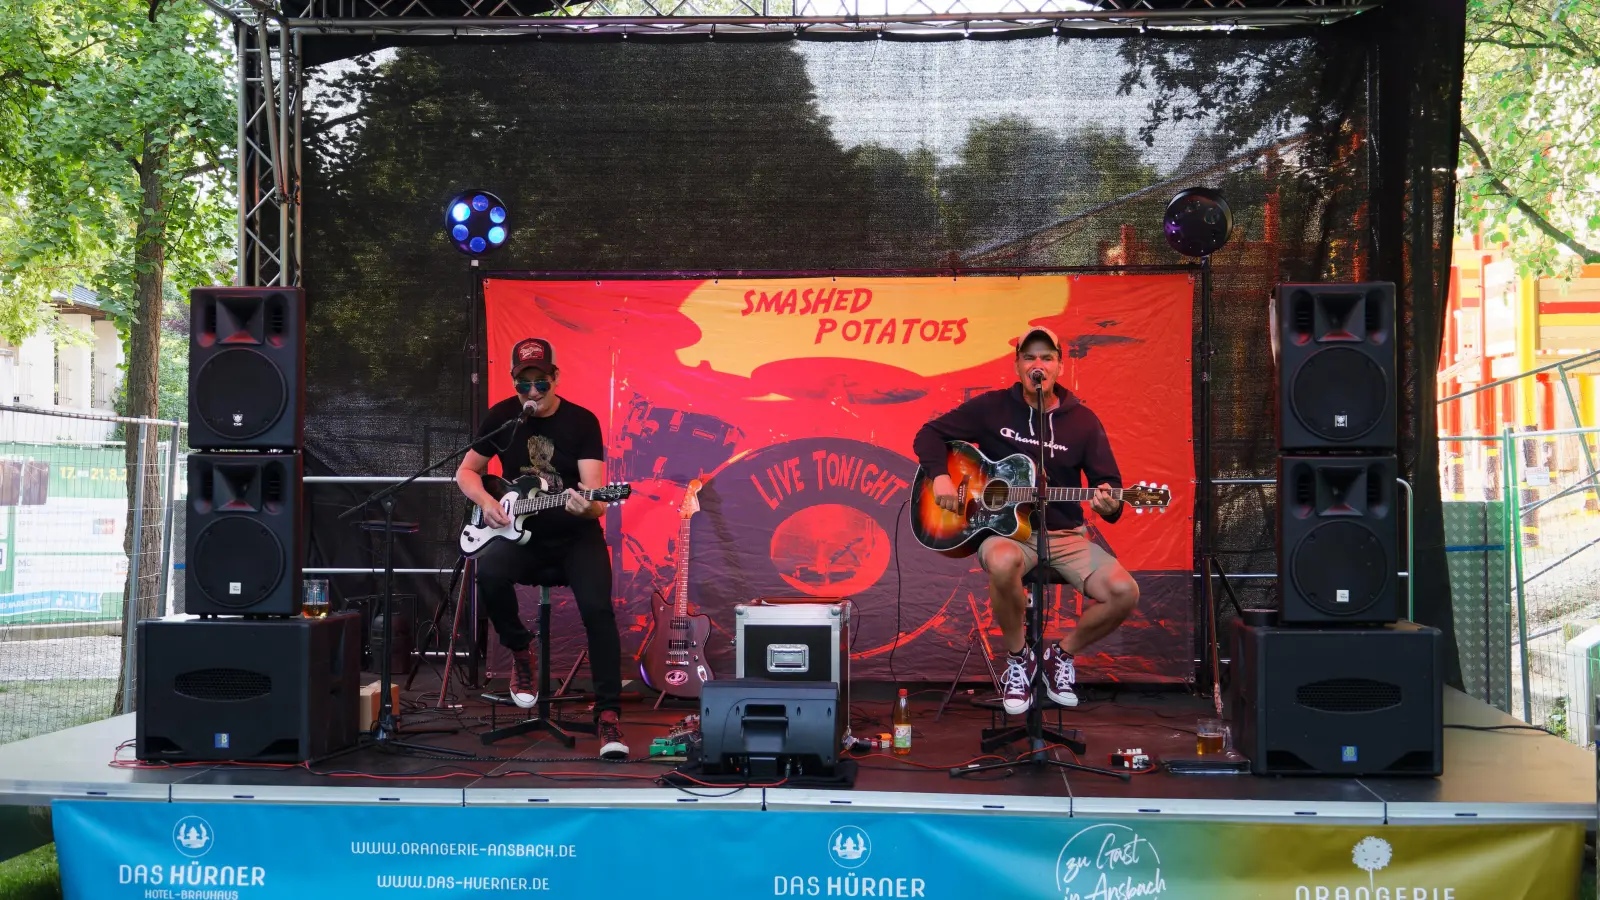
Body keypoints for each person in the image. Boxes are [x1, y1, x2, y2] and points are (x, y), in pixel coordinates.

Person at [911, 326, 1140, 713]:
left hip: (1064, 534)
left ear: (1059, 366)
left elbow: (1108, 485)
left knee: (1124, 592)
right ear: (1017, 365)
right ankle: (1018, 659)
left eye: (1047, 357)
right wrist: (943, 477)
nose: (1039, 365)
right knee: (1001, 561)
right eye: (1030, 357)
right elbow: (928, 435)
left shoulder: (1082, 421)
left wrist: (1109, 504)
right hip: (1007, 534)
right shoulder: (992, 408)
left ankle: (1059, 657)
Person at [455, 337, 628, 760]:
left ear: (555, 378)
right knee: (489, 571)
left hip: (574, 539)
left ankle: (608, 714)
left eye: (541, 384)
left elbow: (597, 500)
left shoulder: (582, 422)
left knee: (598, 610)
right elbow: (467, 472)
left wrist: (586, 505)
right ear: (515, 383)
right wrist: (487, 503)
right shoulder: (502, 418)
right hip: (520, 537)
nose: (532, 393)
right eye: (523, 385)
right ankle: (520, 652)